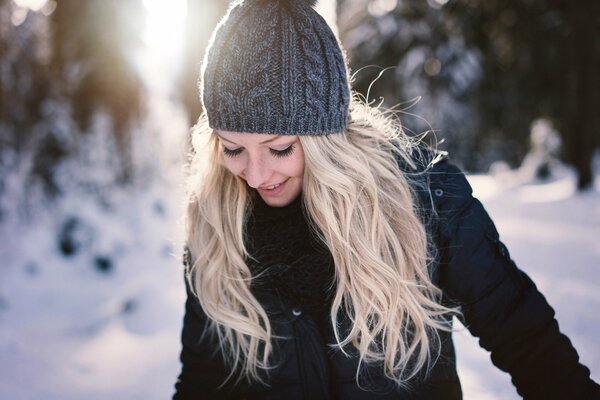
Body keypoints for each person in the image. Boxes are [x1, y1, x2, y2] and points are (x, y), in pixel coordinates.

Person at [173, 0, 600, 398]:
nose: (256, 174)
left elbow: (529, 343)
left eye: (280, 148)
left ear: (327, 137)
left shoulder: (426, 201)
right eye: (232, 150)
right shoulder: (216, 227)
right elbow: (202, 380)